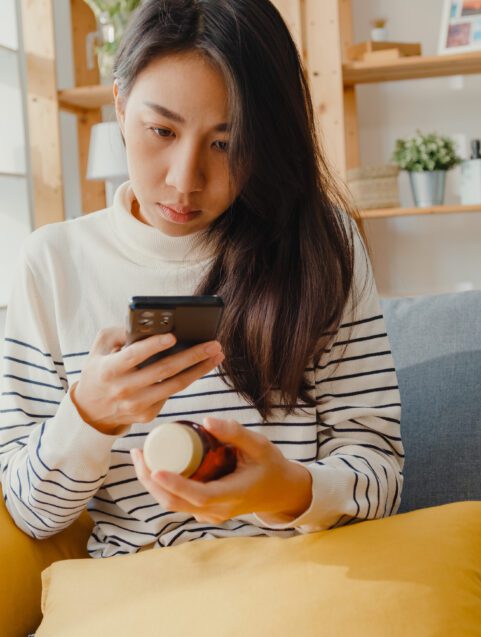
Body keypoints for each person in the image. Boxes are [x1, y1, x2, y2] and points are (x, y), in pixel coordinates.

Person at [0, 0, 403, 558]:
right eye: (161, 130)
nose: (185, 180)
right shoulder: (51, 264)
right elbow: (29, 513)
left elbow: (380, 470)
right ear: (119, 104)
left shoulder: (322, 246)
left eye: (225, 143)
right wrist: (89, 412)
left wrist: (284, 488)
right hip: (137, 594)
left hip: (302, 583)